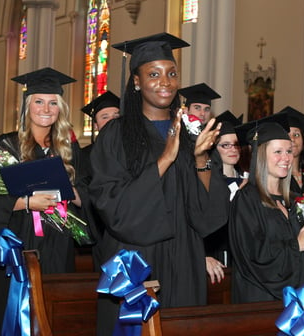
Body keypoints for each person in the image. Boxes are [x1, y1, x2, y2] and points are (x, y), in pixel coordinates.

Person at [91, 33, 228, 334]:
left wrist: (201, 158)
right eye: (153, 74)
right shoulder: (116, 135)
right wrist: (166, 157)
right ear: (137, 82)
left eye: (171, 74)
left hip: (185, 256)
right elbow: (113, 206)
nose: (164, 82)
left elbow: (208, 215)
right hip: (137, 259)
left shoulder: (192, 133)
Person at [0, 67, 84, 336]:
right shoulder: (7, 146)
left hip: (59, 241)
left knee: (52, 317)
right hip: (21, 240)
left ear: (60, 108)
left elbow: (88, 196)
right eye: (39, 101)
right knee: (19, 316)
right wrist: (29, 202)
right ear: (27, 106)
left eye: (53, 103)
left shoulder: (69, 148)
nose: (46, 109)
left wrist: (73, 193)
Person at [228, 113, 304, 303]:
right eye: (278, 152)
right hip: (260, 303)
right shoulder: (247, 200)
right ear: (260, 155)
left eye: (289, 151)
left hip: (296, 299)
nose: (286, 158)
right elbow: (255, 256)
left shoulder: (292, 200)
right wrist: (297, 245)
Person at [204, 110, 246, 285]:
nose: (233, 150)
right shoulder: (208, 182)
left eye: (236, 144)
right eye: (225, 145)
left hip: (244, 257)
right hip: (217, 254)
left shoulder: (248, 179)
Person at [80, 90, 121, 270]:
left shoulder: (137, 153)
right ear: (96, 125)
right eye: (105, 117)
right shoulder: (84, 156)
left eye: (116, 115)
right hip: (100, 234)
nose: (112, 120)